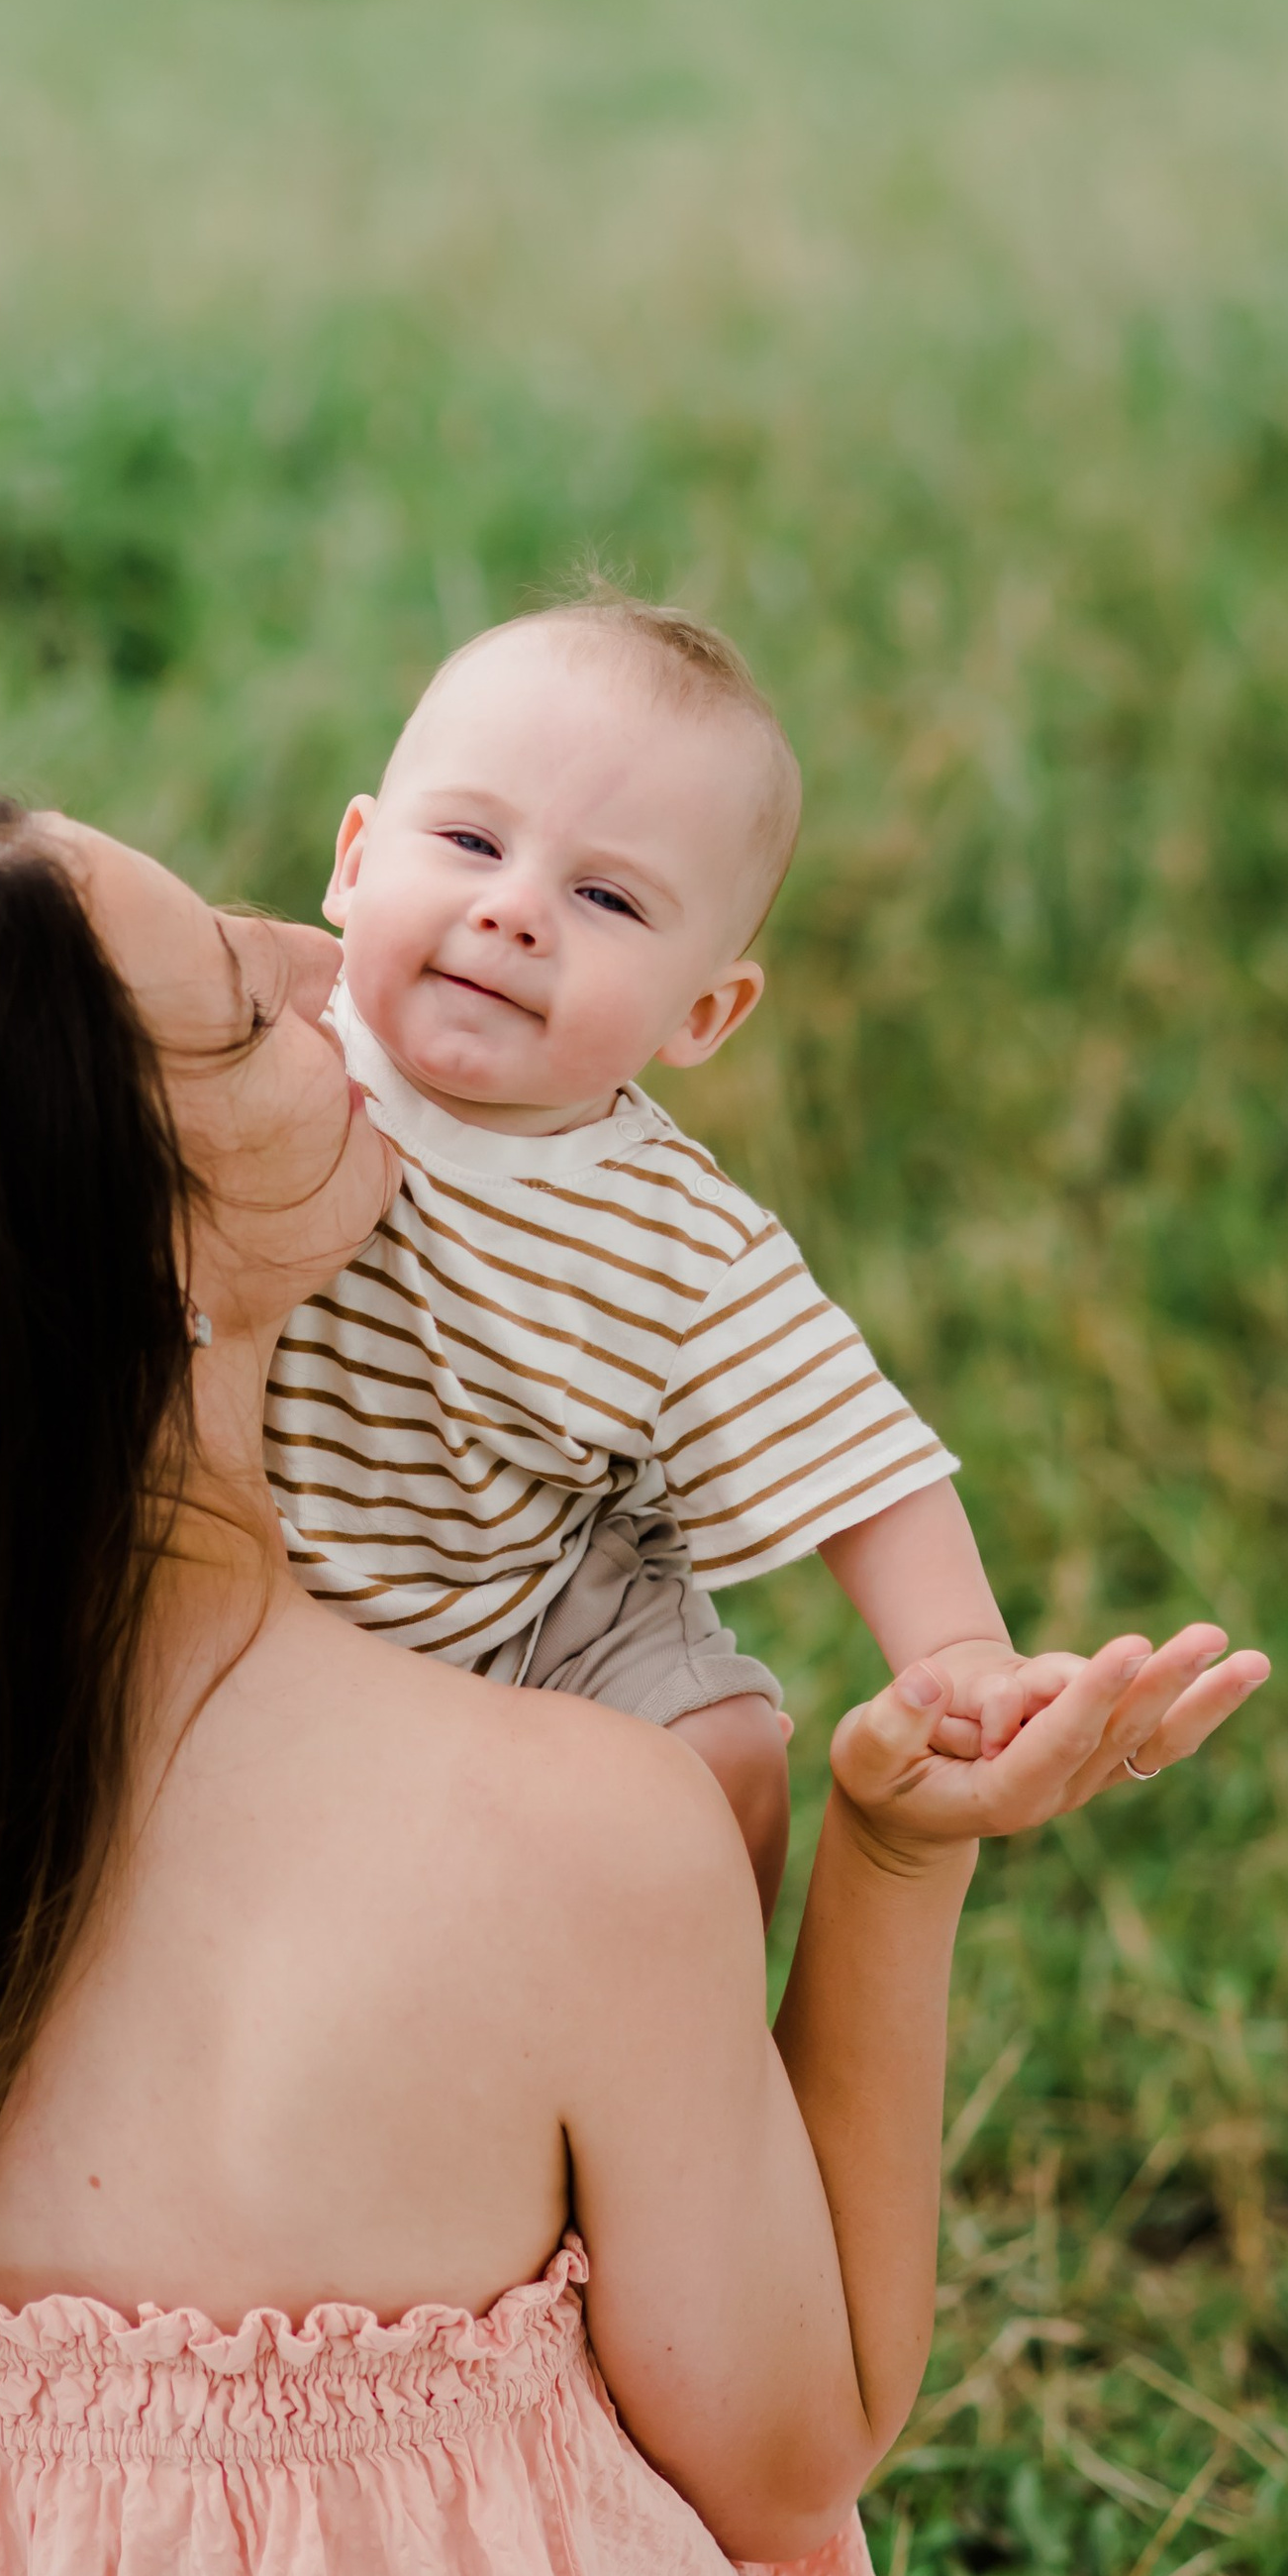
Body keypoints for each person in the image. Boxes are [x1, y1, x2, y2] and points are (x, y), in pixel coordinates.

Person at [0, 794, 1265, 2576]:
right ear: (150, 1250)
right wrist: (879, 1855)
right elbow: (790, 2454)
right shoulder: (573, 1831)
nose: (313, 957)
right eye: (236, 1012)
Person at [270, 582, 1082, 1914]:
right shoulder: (252, 1048)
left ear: (701, 1012)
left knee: (721, 1757)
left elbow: (859, 1462)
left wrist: (963, 1656)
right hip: (236, 1578)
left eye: (604, 896)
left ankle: (676, 2027)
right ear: (357, 861)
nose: (515, 911)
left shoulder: (676, 1240)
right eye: (471, 841)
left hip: (520, 1612)